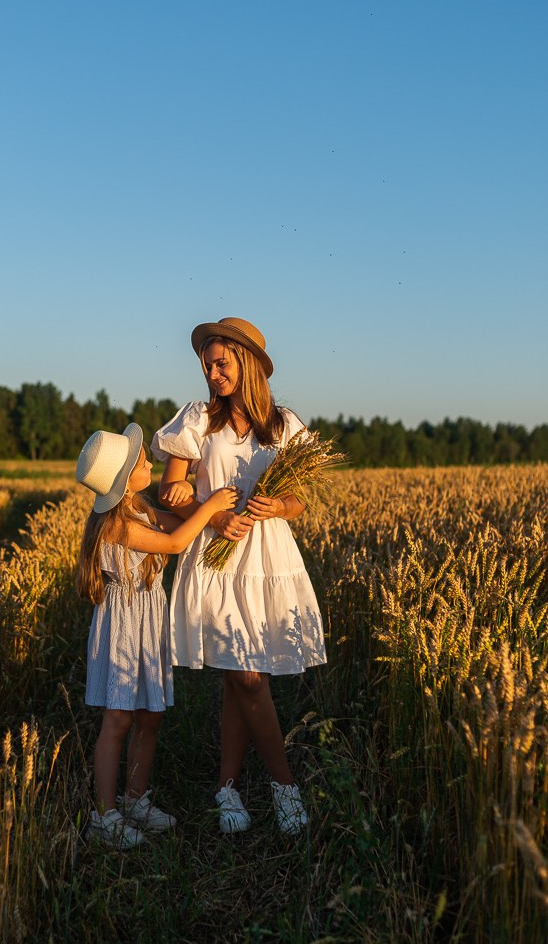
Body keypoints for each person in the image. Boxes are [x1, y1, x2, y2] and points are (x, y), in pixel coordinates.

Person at [151, 317, 327, 835]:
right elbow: (169, 493)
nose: (211, 372)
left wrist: (278, 506)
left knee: (240, 680)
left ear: (246, 362)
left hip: (267, 560)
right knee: (247, 677)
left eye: (221, 362)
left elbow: (299, 502)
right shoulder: (197, 421)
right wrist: (213, 510)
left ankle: (227, 788)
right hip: (215, 558)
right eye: (207, 364)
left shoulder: (284, 423)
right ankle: (284, 786)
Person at [76, 423, 239, 848]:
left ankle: (134, 800)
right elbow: (174, 544)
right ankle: (104, 816)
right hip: (123, 626)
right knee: (118, 719)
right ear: (125, 476)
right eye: (142, 461)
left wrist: (213, 513)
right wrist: (212, 506)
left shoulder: (141, 510)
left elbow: (183, 524)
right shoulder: (116, 524)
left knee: (151, 715)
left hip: (148, 622)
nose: (150, 461)